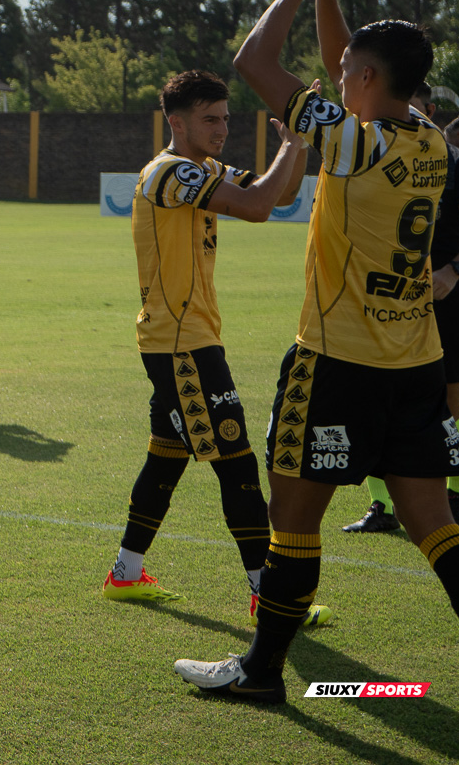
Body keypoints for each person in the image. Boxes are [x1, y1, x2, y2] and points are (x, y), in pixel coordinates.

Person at [176, 0, 459, 707]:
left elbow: (252, 60)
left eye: (347, 76)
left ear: (368, 85)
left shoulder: (354, 142)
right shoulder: (430, 141)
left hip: (339, 360)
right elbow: (353, 66)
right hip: (416, 364)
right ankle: (264, 668)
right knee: (437, 526)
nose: (335, 77)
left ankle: (262, 673)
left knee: (292, 519)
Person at [101, 69, 317, 616]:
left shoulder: (205, 168)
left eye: (226, 118)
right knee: (238, 464)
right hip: (181, 345)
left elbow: (283, 194)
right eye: (210, 119)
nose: (223, 128)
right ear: (177, 122)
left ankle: (124, 573)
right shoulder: (171, 173)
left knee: (167, 457)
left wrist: (298, 143)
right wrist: (291, 141)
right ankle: (264, 592)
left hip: (186, 339)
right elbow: (257, 206)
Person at [343, 83, 459, 532]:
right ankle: (382, 507)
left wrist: (453, 271)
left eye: (412, 108)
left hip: (445, 296)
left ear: (429, 110)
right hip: (387, 297)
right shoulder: (373, 153)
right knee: (379, 402)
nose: (401, 117)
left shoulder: (457, 163)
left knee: (449, 403)